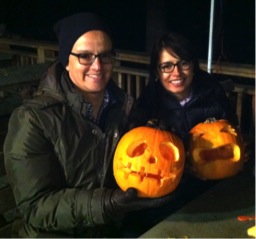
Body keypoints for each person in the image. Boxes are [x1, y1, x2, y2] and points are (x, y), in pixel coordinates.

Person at [3, 13, 175, 238]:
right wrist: (105, 204)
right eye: (85, 56)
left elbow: (150, 157)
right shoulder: (33, 119)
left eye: (105, 56)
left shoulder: (123, 108)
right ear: (66, 61)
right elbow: (37, 206)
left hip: (113, 231)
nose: (97, 66)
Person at [130, 31, 239, 150]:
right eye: (167, 66)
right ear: (157, 72)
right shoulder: (148, 102)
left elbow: (232, 131)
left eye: (183, 63)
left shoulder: (212, 92)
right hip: (166, 166)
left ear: (193, 66)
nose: (177, 73)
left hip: (211, 163)